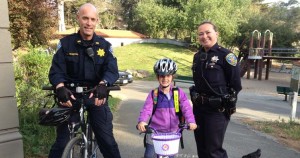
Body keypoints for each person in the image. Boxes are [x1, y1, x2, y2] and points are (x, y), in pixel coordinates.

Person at [48, 3, 121, 158]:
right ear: (78, 19)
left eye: (92, 19)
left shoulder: (104, 46)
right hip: (70, 97)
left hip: (95, 97)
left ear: (97, 21)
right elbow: (56, 70)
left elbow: (112, 70)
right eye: (85, 18)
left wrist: (104, 84)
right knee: (61, 144)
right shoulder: (65, 44)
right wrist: (60, 87)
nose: (89, 23)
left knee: (107, 141)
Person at [190, 21, 242, 158]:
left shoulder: (226, 56)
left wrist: (227, 101)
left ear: (216, 34)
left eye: (208, 32)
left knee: (214, 149)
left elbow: (236, 84)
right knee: (201, 147)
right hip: (199, 108)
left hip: (217, 111)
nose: (204, 36)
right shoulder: (197, 57)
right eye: (201, 34)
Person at [137, 58, 198, 158]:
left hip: (172, 134)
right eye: (162, 76)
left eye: (168, 75)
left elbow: (186, 108)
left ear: (172, 76)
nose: (165, 79)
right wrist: (142, 121)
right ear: (157, 77)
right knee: (149, 156)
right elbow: (146, 109)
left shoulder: (177, 93)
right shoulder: (154, 94)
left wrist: (191, 121)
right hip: (154, 133)